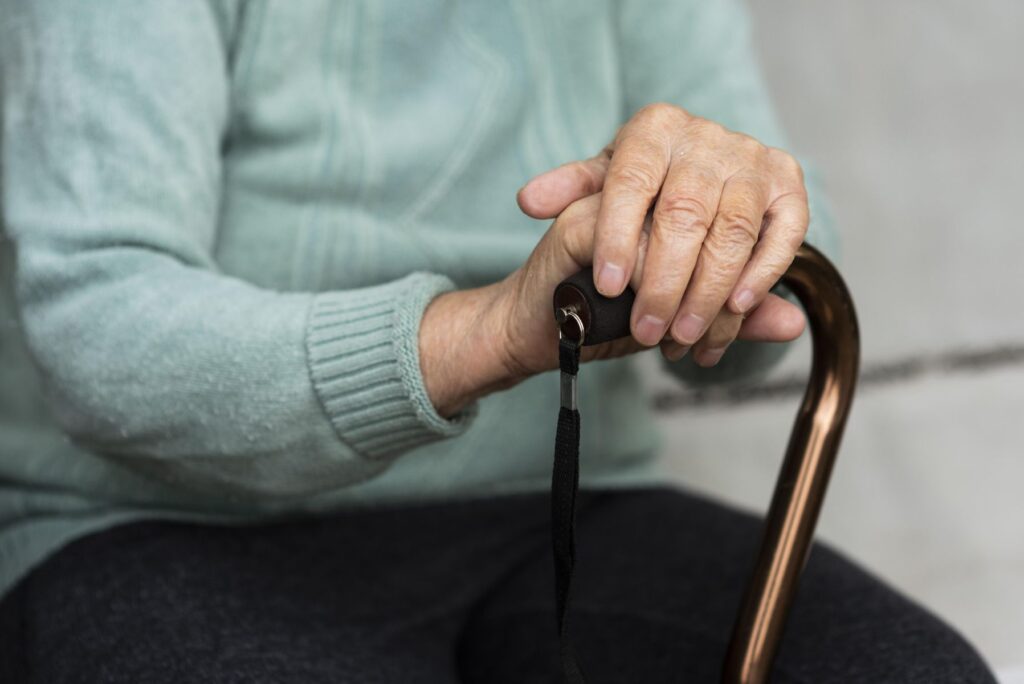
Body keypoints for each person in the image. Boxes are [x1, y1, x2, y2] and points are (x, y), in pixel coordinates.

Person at [0, 1, 995, 682]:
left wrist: (733, 227)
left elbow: (764, 314)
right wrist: (493, 332)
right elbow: (101, 326)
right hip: (161, 526)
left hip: (560, 509)